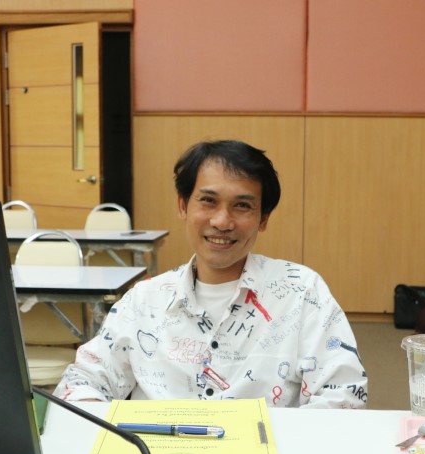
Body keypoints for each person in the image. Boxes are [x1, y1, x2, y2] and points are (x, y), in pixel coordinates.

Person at [54, 139, 367, 408]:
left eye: (242, 206)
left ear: (263, 218)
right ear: (183, 206)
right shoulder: (143, 301)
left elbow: (343, 393)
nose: (222, 221)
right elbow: (81, 382)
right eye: (208, 201)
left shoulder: (302, 293)